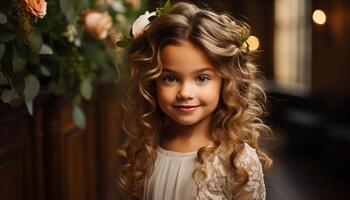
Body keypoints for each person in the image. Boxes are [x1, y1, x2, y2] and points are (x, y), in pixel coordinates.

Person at [116, 1, 273, 199]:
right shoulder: (147, 148)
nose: (185, 93)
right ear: (152, 82)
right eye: (170, 78)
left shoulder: (237, 162)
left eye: (201, 78)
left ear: (225, 82)